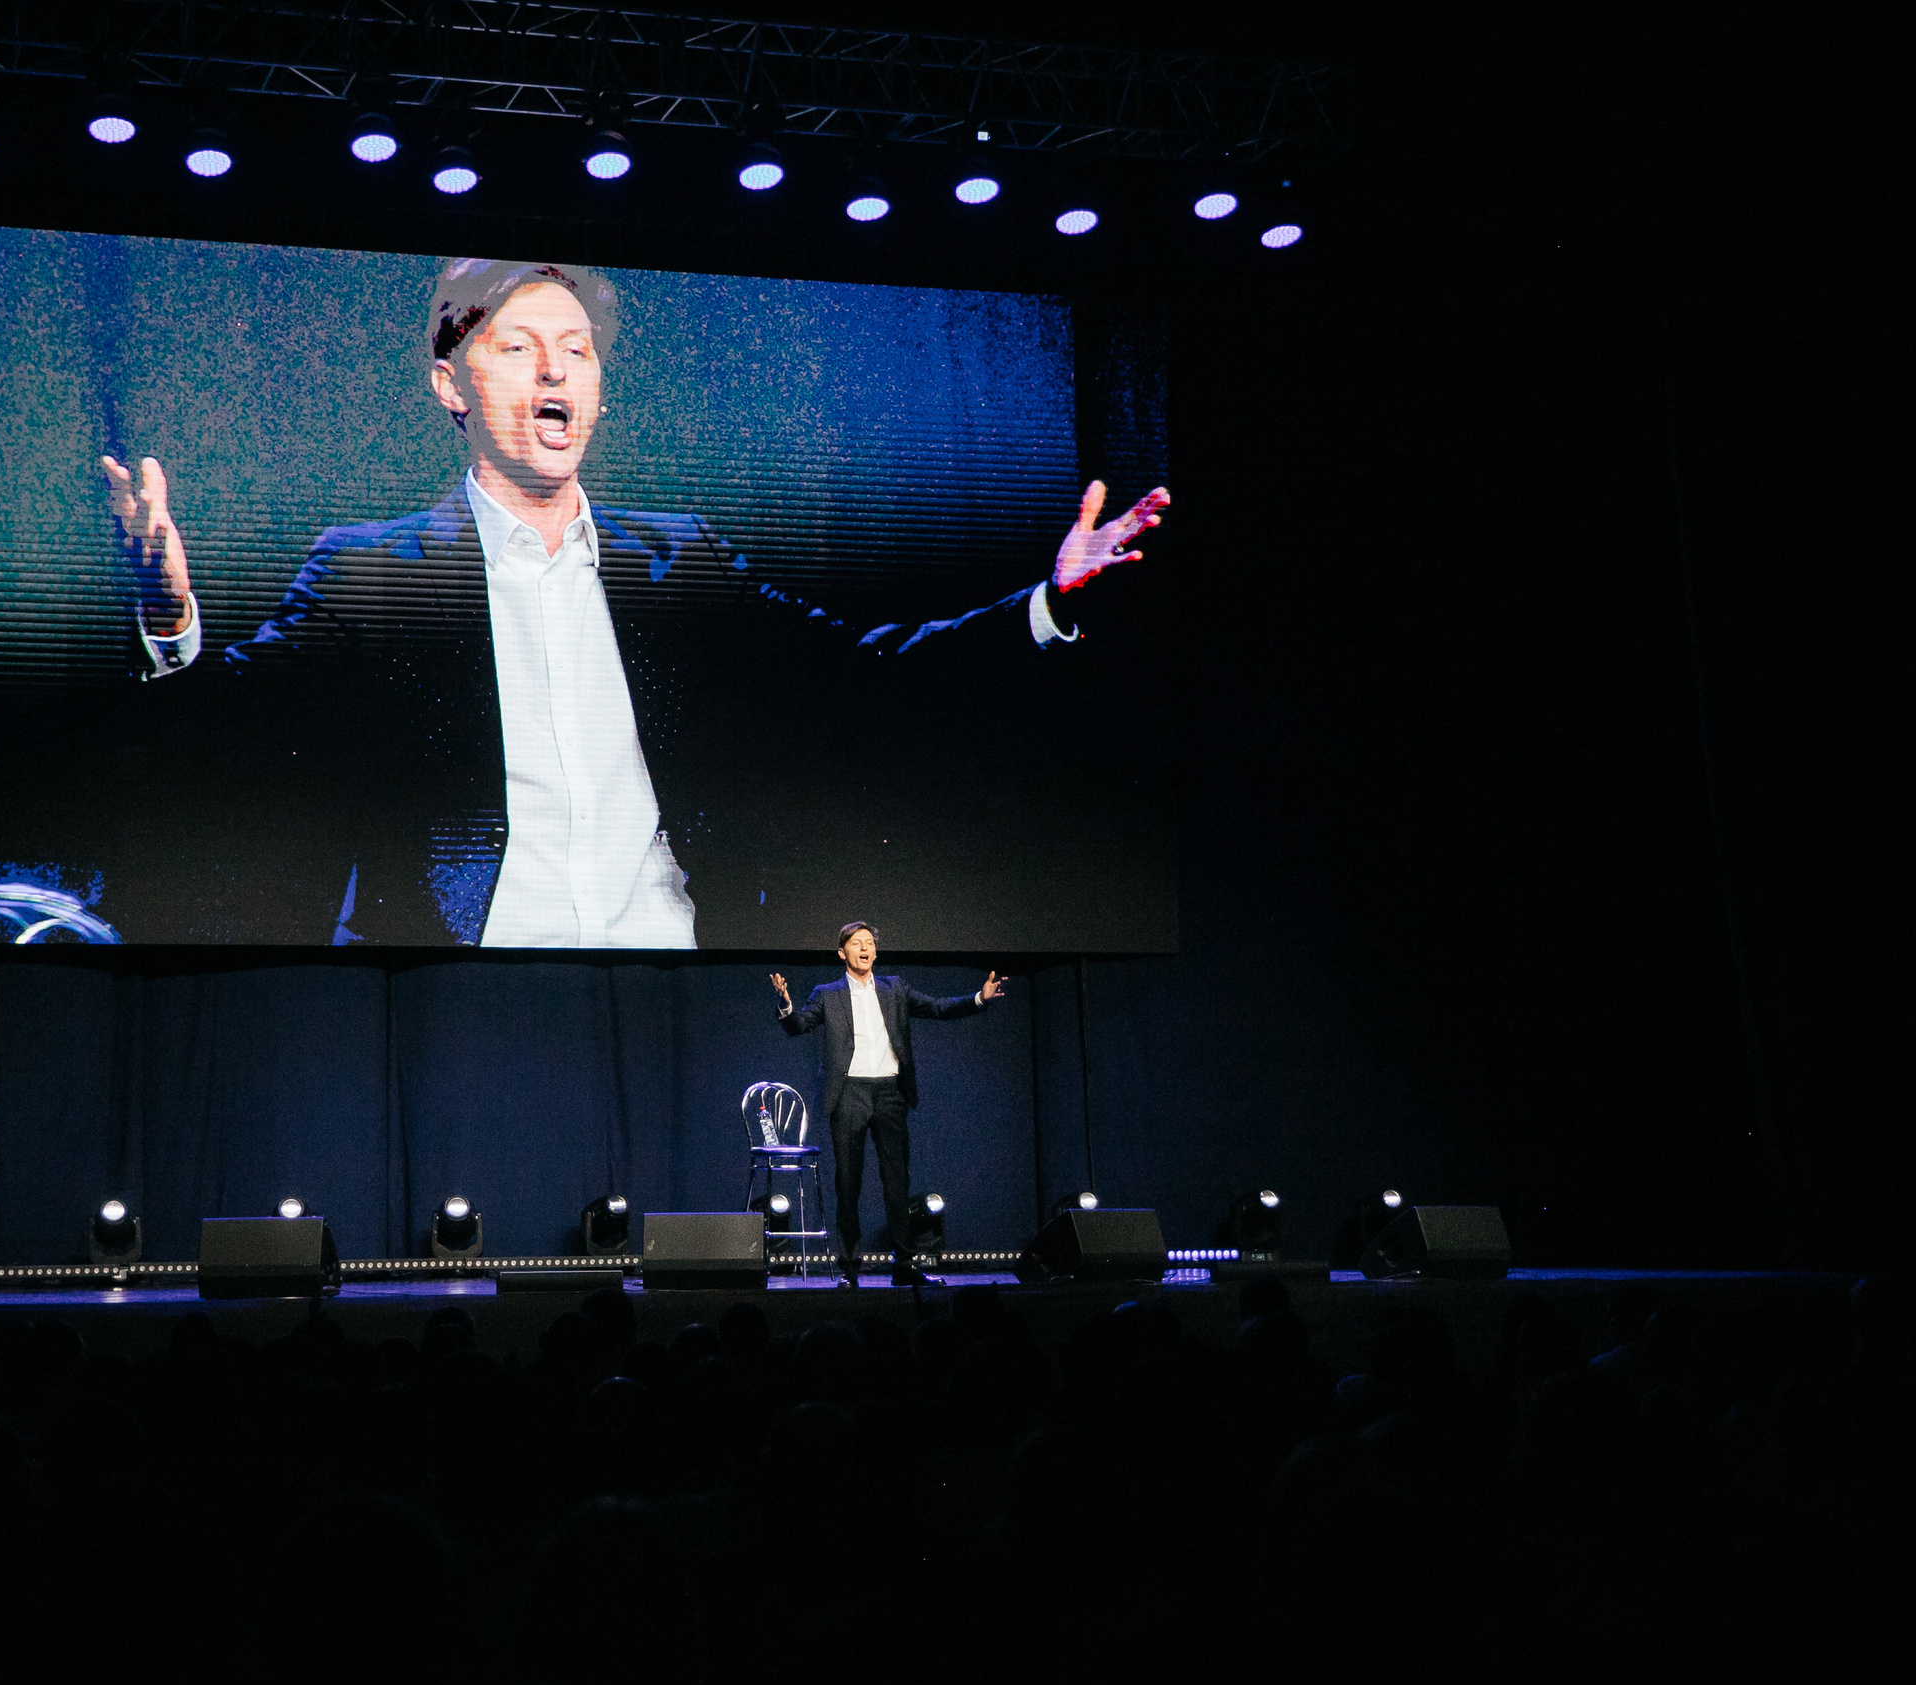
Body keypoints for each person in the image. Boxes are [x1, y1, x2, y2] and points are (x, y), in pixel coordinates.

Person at [100, 257, 1171, 948]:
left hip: (671, 962)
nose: (554, 373)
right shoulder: (373, 574)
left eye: (576, 352)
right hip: (465, 973)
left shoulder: (680, 559)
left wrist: (1047, 602)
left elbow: (863, 676)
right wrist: (169, 612)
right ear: (450, 383)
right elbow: (232, 737)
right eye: (517, 348)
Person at [771, 922, 1005, 1286]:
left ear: (875, 952)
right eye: (856, 943)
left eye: (869, 943)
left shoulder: (894, 988)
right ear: (842, 952)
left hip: (890, 1093)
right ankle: (850, 1269)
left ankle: (905, 1265)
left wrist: (979, 998)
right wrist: (786, 1004)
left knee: (897, 1181)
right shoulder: (827, 994)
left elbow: (937, 1007)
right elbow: (799, 1025)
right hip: (848, 1093)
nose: (865, 948)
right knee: (848, 1184)